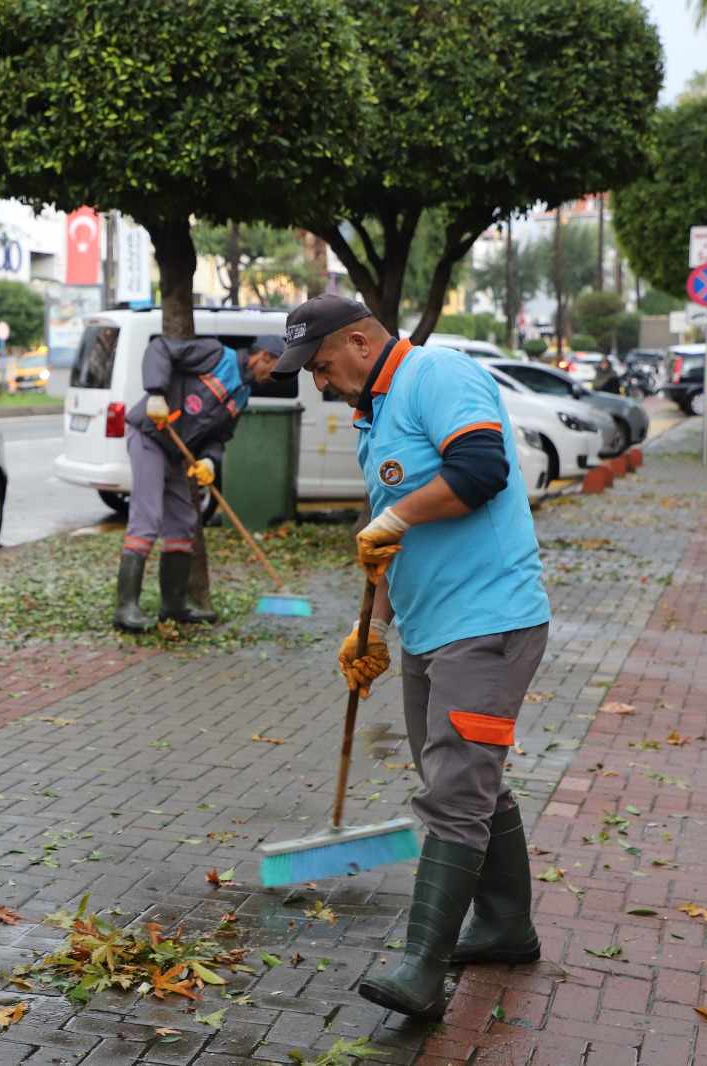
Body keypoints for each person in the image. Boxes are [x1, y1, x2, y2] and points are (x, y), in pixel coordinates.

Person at [271, 295, 551, 1021]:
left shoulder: (438, 375)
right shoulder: (375, 417)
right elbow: (394, 539)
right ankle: (506, 927)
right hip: (432, 625)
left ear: (361, 342)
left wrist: (392, 514)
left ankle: (422, 970)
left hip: (488, 620)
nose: (322, 385)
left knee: (455, 791)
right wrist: (373, 627)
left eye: (325, 367)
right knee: (458, 771)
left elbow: (481, 468)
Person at [113, 335, 281, 631]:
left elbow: (218, 437)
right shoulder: (215, 355)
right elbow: (160, 348)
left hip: (176, 452)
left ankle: (174, 605)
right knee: (148, 518)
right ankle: (125, 609)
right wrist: (156, 393)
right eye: (275, 368)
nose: (274, 377)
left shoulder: (242, 395)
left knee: (183, 522)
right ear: (263, 356)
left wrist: (209, 461)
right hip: (149, 435)